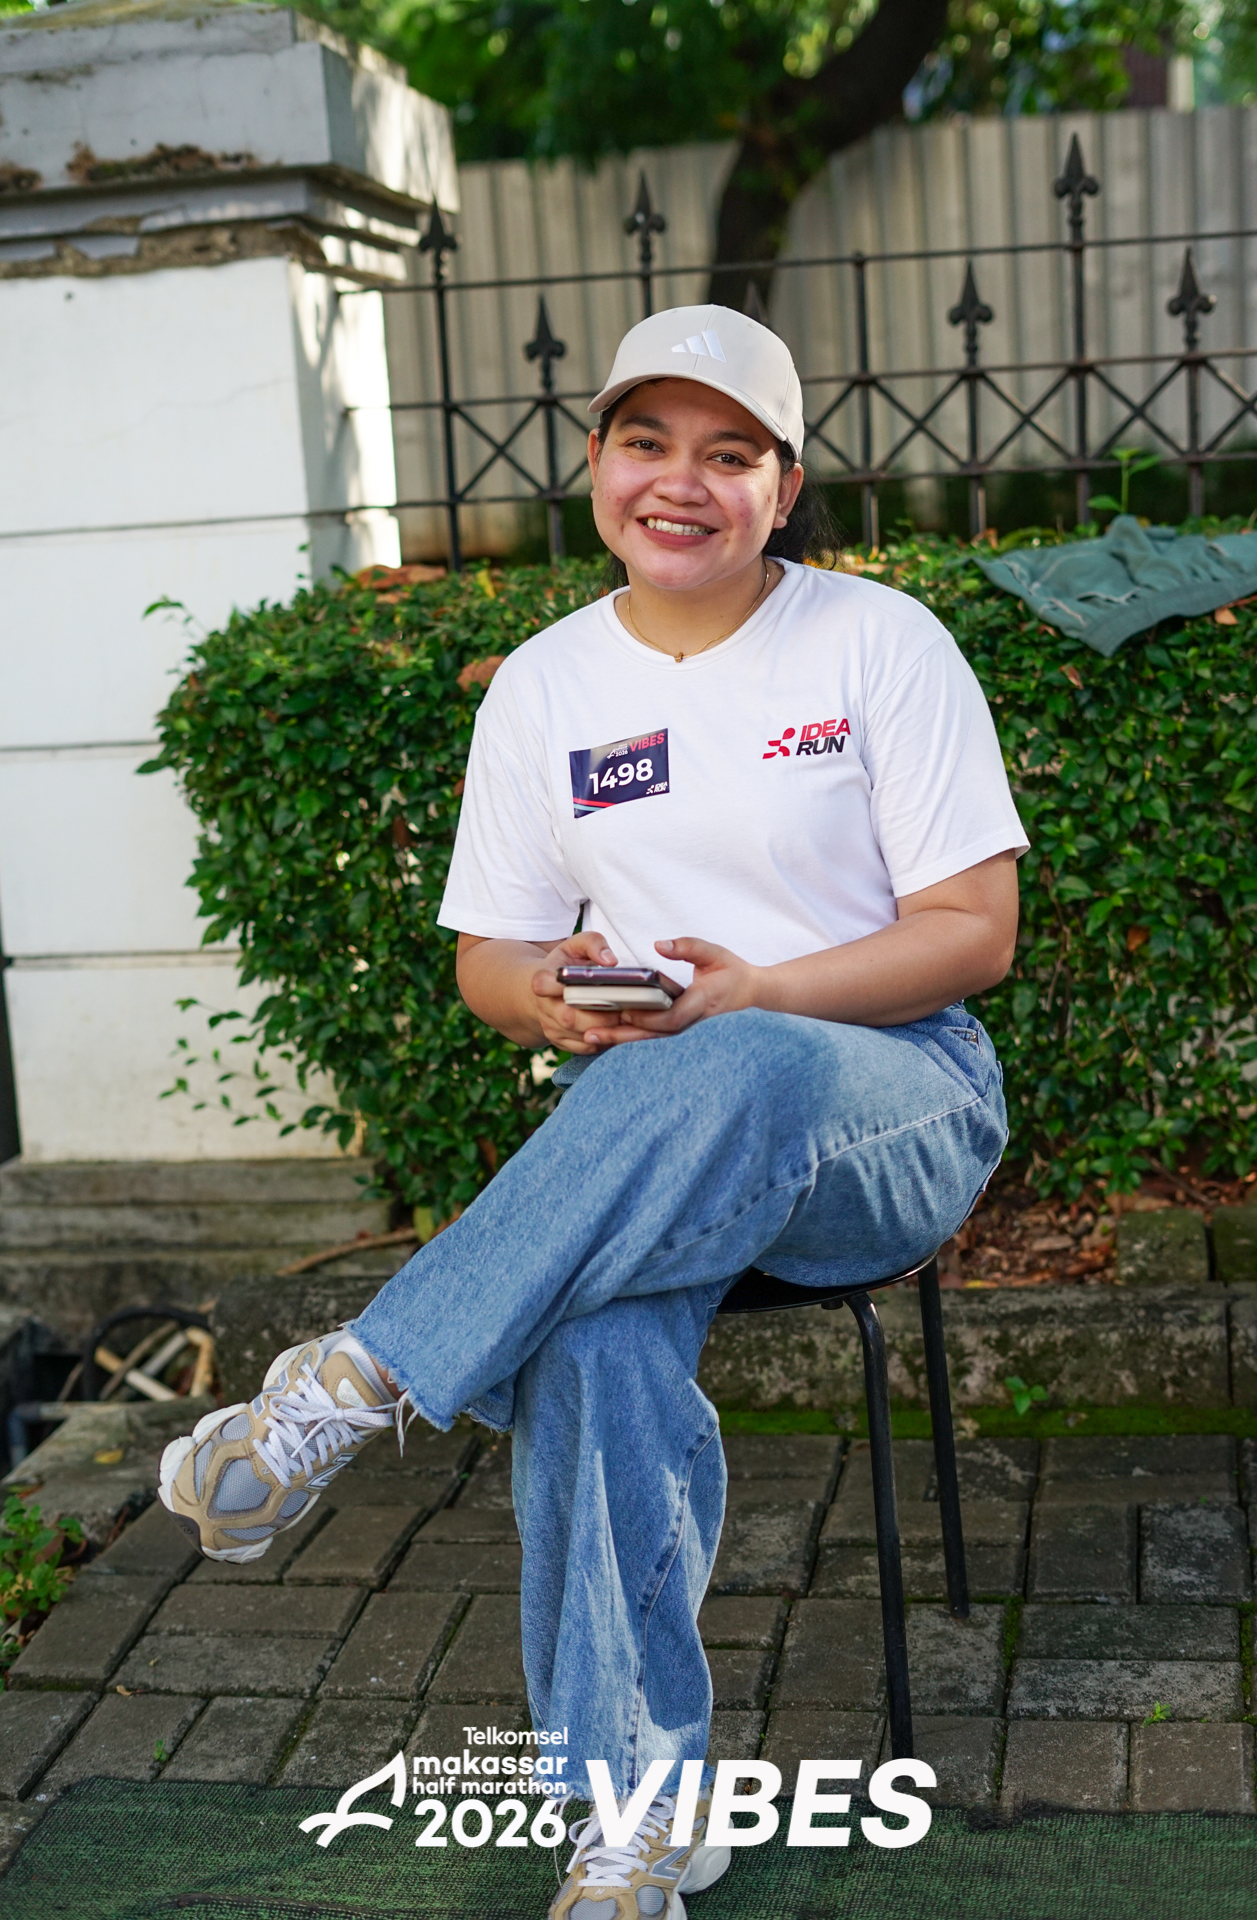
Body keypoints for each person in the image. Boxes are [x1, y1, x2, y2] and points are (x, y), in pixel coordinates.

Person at [160, 304, 1027, 1919]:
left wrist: (760, 992)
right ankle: (636, 1815)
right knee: (592, 1339)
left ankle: (361, 1379)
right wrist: (549, 996)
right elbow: (488, 958)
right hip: (652, 1138)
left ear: (784, 486)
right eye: (648, 442)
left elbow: (976, 932)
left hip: (891, 1098)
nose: (681, 482)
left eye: (730, 453)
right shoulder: (548, 686)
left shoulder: (879, 645)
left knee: (745, 1057)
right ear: (594, 460)